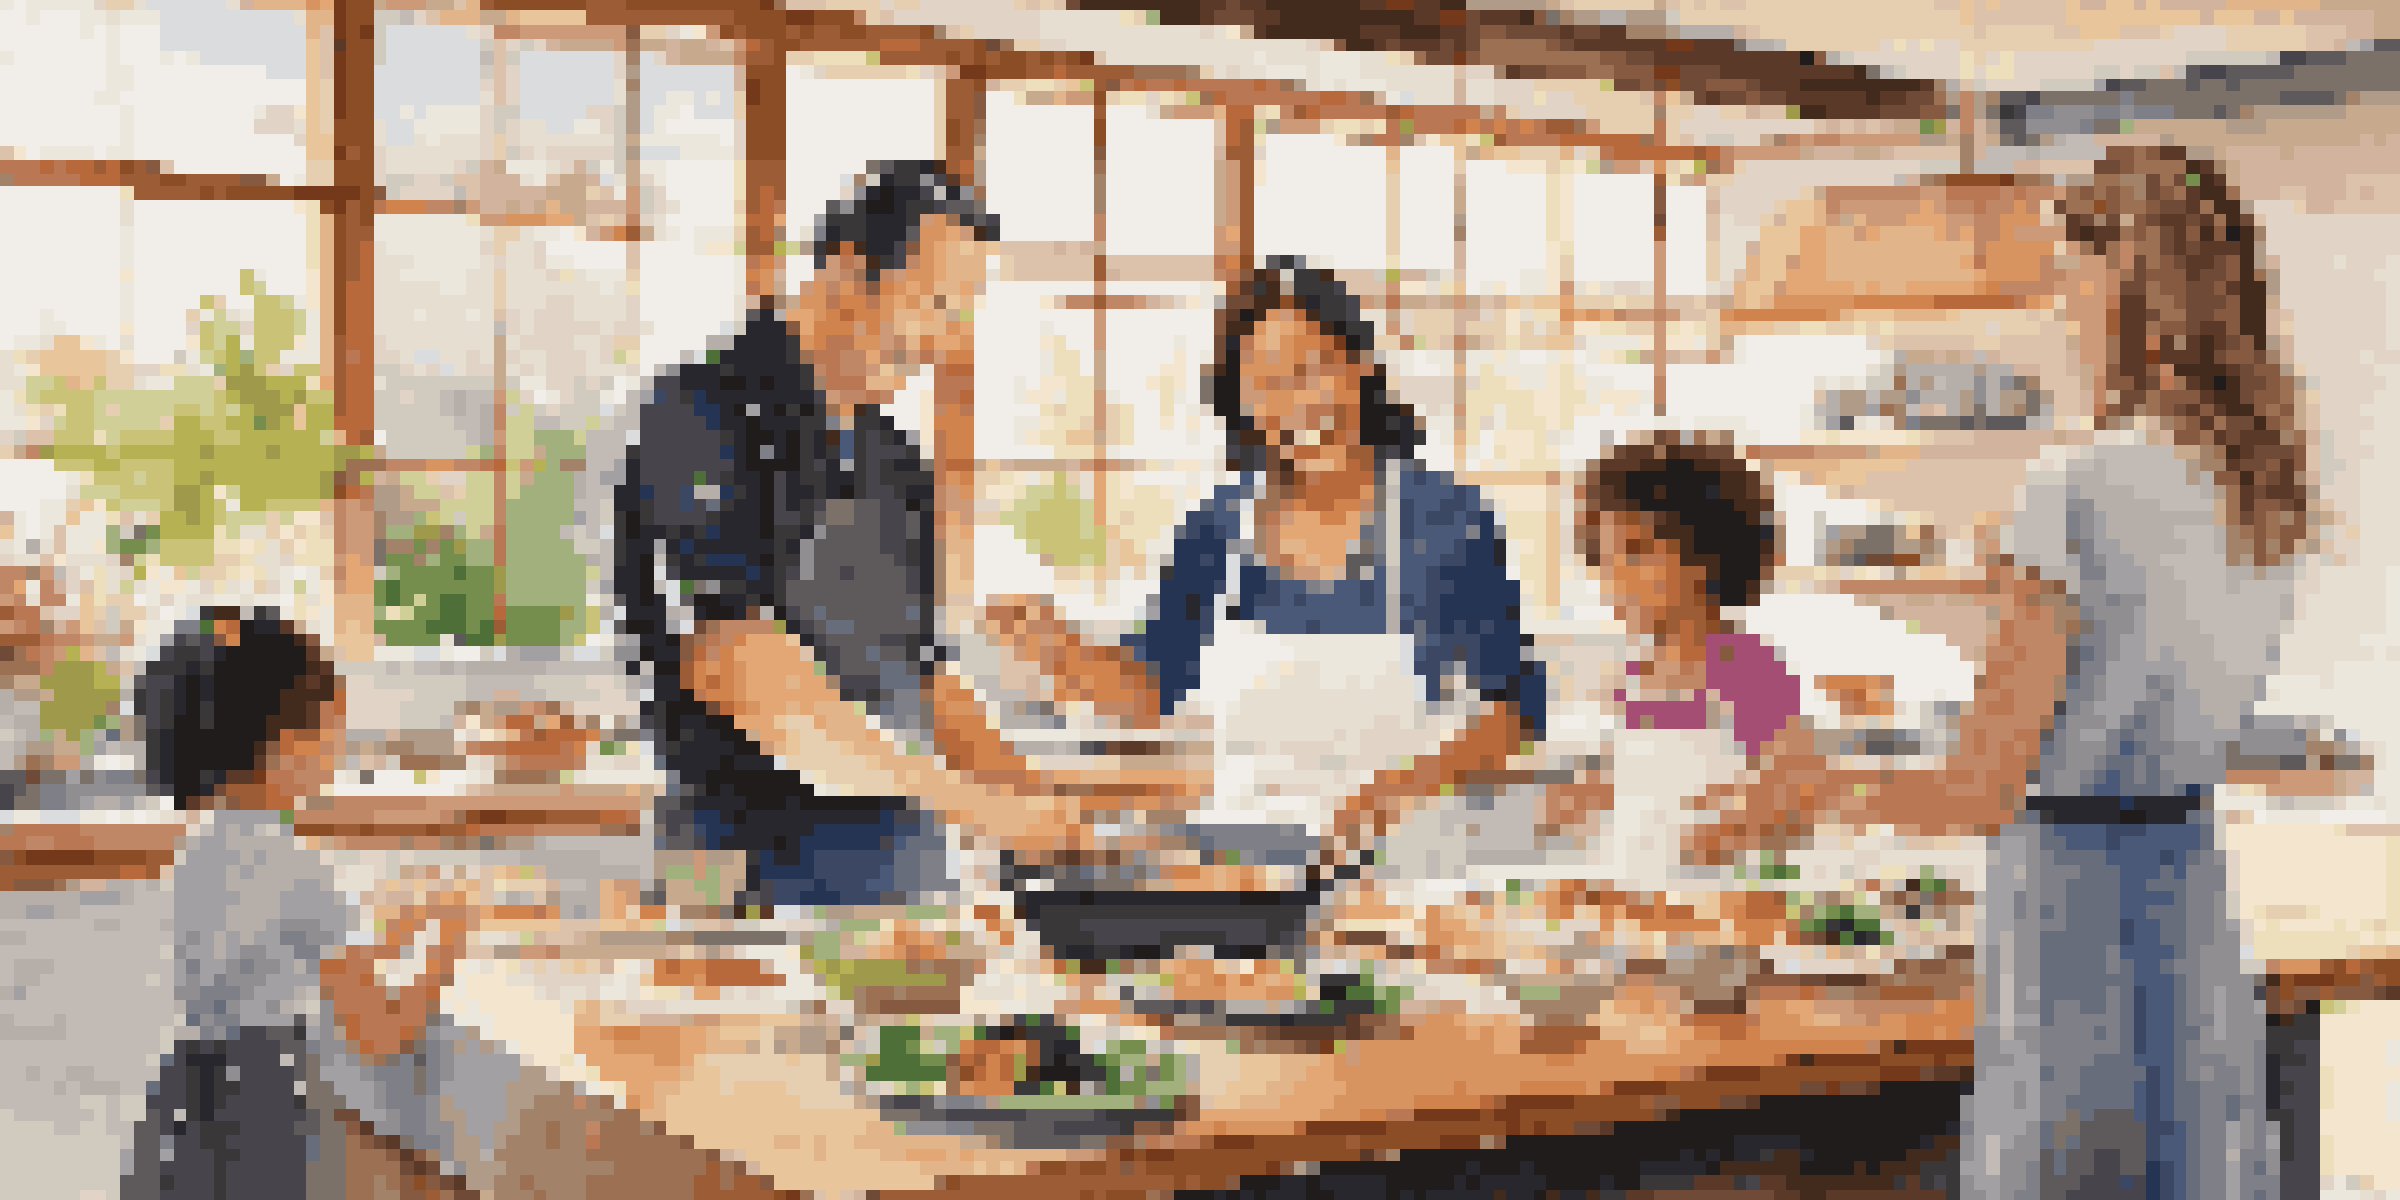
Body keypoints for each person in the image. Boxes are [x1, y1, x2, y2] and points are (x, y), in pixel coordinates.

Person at [617, 161, 1191, 911]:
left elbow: (924, 674)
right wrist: (973, 803)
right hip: (734, 871)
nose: (948, 342)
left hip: (902, 879)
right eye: (937, 302)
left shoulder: (894, 459)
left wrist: (1050, 814)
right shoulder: (699, 414)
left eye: (965, 314)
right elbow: (738, 665)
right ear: (849, 269)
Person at [1957, 146, 2309, 1200]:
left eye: (2071, 270)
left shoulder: (2074, 484)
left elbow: (1979, 784)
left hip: (2067, 893)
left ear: (2126, 283)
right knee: (2192, 1160)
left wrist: (1819, 788)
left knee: (2060, 1168)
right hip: (2189, 881)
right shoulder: (2261, 487)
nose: (2060, 301)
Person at [983, 257, 1547, 861]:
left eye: (1308, 371)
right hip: (1242, 870)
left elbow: (1515, 707)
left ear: (1357, 369)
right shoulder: (1217, 530)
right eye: (1264, 383)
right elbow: (1152, 689)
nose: (1292, 402)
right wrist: (1055, 649)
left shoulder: (1445, 520)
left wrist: (1408, 785)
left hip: (1399, 869)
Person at [120, 607, 498, 1199]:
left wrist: (395, 930)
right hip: (263, 1118)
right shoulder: (295, 868)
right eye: (333, 733)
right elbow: (378, 1032)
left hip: (188, 1110)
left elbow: (277, 958)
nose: (338, 752)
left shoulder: (203, 848)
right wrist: (442, 951)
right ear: (284, 741)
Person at [1545, 432, 1808, 880]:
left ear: (1705, 554)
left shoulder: (1746, 668)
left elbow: (1798, 786)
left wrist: (1733, 826)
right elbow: (1635, 778)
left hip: (1714, 899)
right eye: (1606, 559)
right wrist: (1590, 796)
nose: (1617, 576)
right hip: (1631, 892)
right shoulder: (1636, 673)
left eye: (1637, 552)